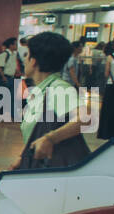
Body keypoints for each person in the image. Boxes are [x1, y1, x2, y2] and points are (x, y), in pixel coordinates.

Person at [14, 31, 91, 170]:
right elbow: (35, 134)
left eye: (27, 55)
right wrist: (23, 158)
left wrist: (50, 139)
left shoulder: (58, 88)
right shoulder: (42, 90)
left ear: (34, 61)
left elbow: (85, 118)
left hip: (56, 173)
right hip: (43, 167)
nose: (24, 60)